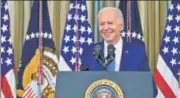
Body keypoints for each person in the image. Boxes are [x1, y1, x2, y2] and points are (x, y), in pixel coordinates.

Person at [81, 7, 149, 71]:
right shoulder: (89, 52)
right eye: (102, 24)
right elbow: (83, 81)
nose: (105, 28)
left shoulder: (137, 52)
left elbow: (146, 81)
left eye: (110, 23)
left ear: (121, 26)